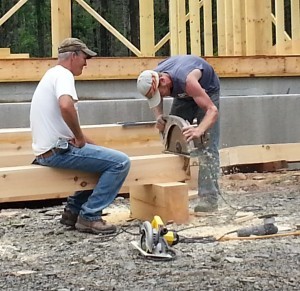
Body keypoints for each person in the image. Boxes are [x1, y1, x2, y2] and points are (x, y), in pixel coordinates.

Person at [30, 37, 131, 234]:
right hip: (57, 152)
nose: (86, 63)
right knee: (121, 163)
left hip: (50, 150)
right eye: (85, 57)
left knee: (106, 160)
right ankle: (89, 216)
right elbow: (66, 106)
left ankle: (73, 211)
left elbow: (72, 132)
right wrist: (80, 138)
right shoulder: (64, 75)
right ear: (74, 56)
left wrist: (90, 144)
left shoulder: (52, 75)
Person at [137, 55, 220, 212]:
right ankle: (173, 195)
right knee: (174, 141)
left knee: (207, 145)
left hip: (206, 91)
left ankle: (209, 199)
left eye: (160, 93)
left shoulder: (187, 80)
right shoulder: (153, 76)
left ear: (164, 81)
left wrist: (199, 130)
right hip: (183, 94)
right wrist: (159, 117)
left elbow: (212, 111)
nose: (161, 97)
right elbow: (156, 97)